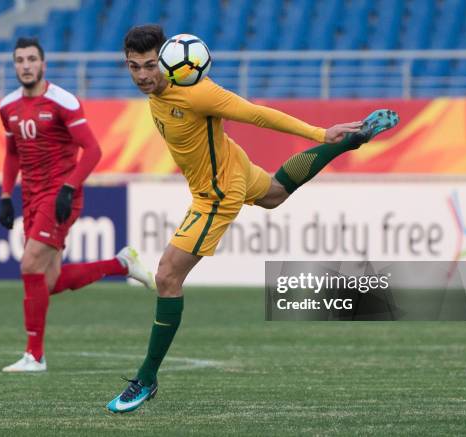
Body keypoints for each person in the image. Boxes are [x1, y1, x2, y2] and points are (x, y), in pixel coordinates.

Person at [107, 25, 399, 412]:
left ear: (166, 59)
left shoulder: (198, 91)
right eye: (133, 67)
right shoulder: (159, 92)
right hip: (232, 165)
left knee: (166, 276)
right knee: (275, 193)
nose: (142, 75)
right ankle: (350, 141)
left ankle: (146, 378)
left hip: (217, 194)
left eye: (148, 65)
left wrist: (318, 132)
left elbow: (257, 114)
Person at [0, 37, 155, 373]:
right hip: (31, 195)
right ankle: (121, 264)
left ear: (43, 64)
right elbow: (12, 154)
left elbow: (93, 150)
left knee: (29, 265)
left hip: (59, 196)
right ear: (14, 66)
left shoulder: (62, 101)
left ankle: (35, 356)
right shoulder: (7, 106)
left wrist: (69, 188)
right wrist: (5, 195)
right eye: (19, 60)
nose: (25, 65)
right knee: (48, 281)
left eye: (31, 59)